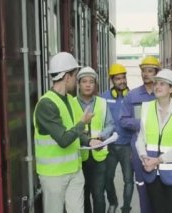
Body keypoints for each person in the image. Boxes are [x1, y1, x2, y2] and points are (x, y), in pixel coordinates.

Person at [33, 52, 102, 213]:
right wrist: (83, 123)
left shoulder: (70, 100)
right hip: (54, 175)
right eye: (75, 75)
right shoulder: (46, 105)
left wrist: (89, 141)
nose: (76, 81)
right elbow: (64, 139)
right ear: (67, 77)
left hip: (74, 171)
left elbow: (74, 131)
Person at [136, 69, 172, 213]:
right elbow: (140, 138)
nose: (157, 87)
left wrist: (158, 160)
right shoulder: (146, 108)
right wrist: (144, 157)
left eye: (162, 84)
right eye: (156, 83)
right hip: (151, 174)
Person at [119, 56, 161, 213]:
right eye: (143, 71)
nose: (146, 74)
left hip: (159, 150)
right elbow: (123, 120)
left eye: (150, 71)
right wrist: (143, 124)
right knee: (143, 190)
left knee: (160, 191)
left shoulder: (162, 95)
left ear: (157, 73)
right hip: (139, 151)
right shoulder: (133, 96)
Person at [72, 66, 114, 213]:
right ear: (78, 84)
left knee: (98, 195)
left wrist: (102, 136)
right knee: (82, 195)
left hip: (99, 157)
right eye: (84, 81)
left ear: (95, 84)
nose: (88, 85)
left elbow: (110, 124)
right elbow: (70, 129)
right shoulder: (71, 104)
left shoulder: (102, 103)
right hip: (78, 158)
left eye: (91, 81)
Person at [101, 63, 134, 213]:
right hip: (110, 146)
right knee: (108, 178)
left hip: (128, 146)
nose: (121, 81)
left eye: (123, 78)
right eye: (118, 79)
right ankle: (113, 202)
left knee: (128, 180)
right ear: (112, 81)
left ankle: (126, 207)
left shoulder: (132, 97)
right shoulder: (104, 98)